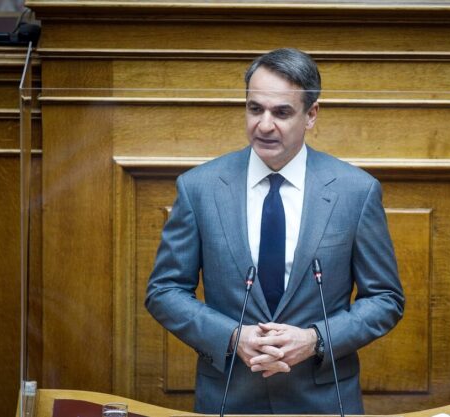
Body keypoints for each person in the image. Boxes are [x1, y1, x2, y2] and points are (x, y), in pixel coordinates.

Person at [145, 48, 404, 414]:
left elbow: (385, 299)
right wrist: (233, 337)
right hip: (229, 397)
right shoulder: (199, 187)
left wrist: (315, 339)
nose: (264, 125)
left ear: (311, 114)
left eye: (281, 112)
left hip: (323, 401)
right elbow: (164, 291)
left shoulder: (355, 191)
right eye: (255, 109)